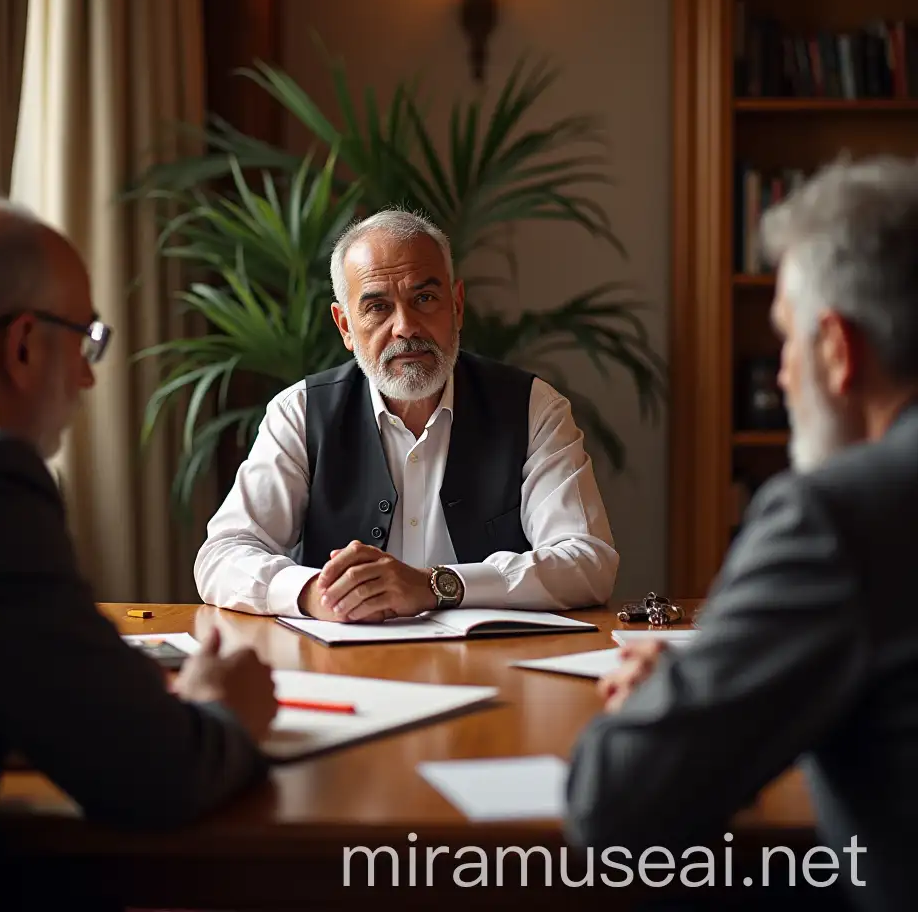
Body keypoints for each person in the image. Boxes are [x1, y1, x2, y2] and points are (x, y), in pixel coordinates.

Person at [0, 198, 277, 908]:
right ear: (24, 345)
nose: (90, 377)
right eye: (89, 341)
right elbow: (156, 776)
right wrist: (225, 713)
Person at [565, 156, 918, 911]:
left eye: (786, 341)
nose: (782, 377)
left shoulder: (838, 517)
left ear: (837, 349)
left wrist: (667, 704)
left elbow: (616, 805)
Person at [195, 208, 618, 622]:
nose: (405, 327)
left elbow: (588, 561)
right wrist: (313, 595)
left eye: (425, 298)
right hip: (343, 672)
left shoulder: (532, 407)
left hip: (490, 668)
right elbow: (222, 555)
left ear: (457, 305)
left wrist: (436, 586)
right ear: (345, 326)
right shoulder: (300, 413)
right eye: (377, 307)